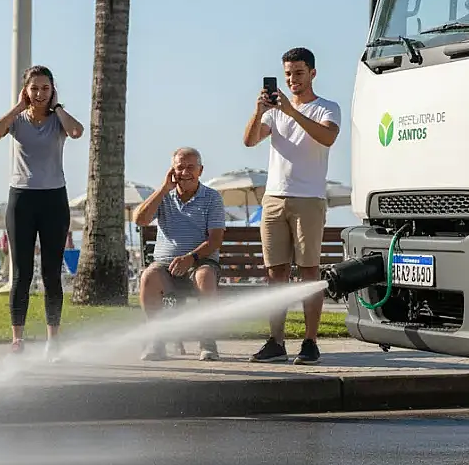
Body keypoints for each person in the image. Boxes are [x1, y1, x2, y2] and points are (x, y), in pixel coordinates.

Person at [242, 47, 341, 365]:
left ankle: (310, 342)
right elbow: (249, 140)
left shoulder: (327, 107)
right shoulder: (273, 111)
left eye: (298, 73)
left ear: (312, 73)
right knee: (275, 274)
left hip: (309, 199)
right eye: (287, 74)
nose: (291, 79)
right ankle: (276, 341)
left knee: (309, 272)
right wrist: (259, 111)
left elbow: (326, 138)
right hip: (273, 198)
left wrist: (291, 110)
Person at [0, 65, 83, 360]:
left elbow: (77, 132)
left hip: (54, 200)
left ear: (53, 90)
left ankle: (53, 339)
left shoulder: (58, 121)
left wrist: (58, 108)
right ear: (26, 90)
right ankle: (18, 339)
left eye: (45, 88)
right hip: (22, 200)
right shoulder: (17, 121)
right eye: (34, 88)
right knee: (22, 274)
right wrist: (17, 107)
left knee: (52, 273)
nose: (39, 94)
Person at [132, 147, 226, 361]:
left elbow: (215, 239)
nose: (185, 172)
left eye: (190, 167)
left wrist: (190, 258)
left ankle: (207, 341)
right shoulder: (163, 198)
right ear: (172, 171)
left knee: (204, 276)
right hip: (165, 267)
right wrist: (164, 188)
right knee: (148, 277)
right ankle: (156, 340)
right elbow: (140, 220)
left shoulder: (212, 198)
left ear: (200, 170)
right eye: (180, 167)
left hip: (199, 264)